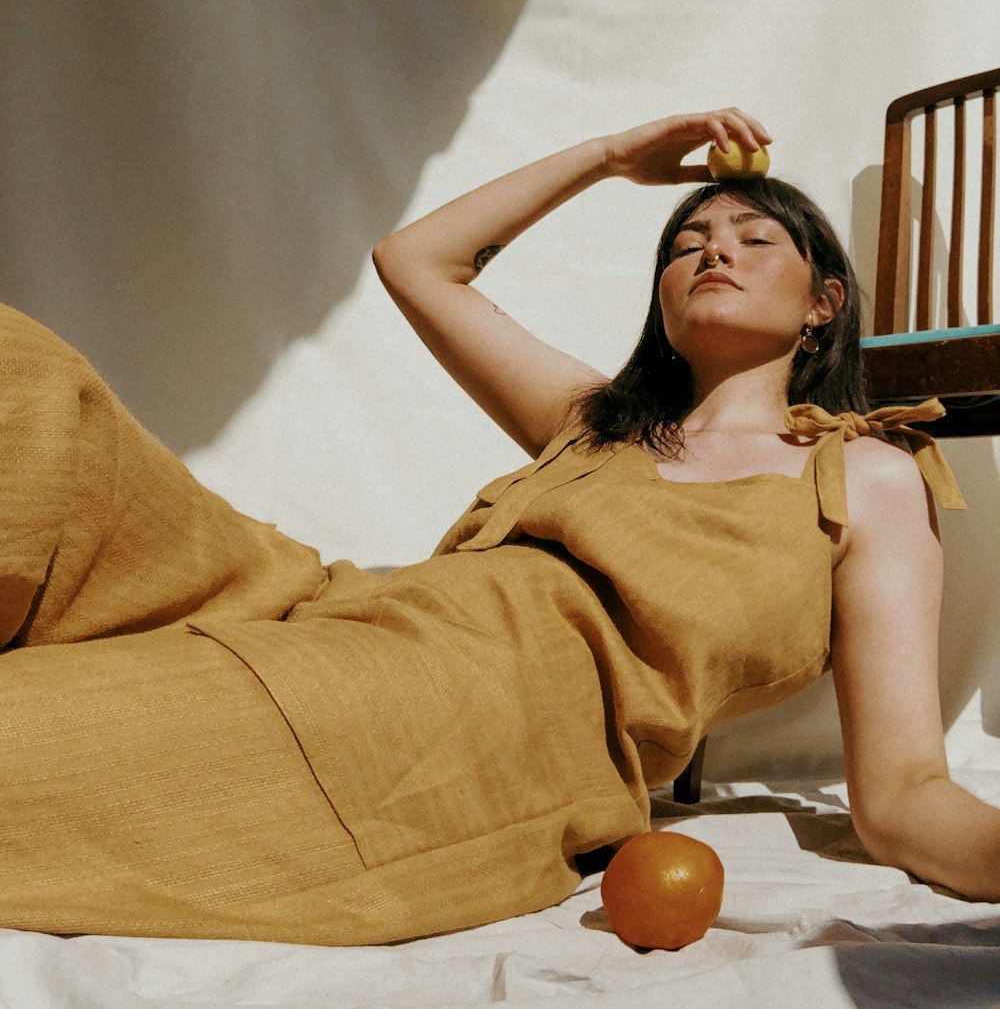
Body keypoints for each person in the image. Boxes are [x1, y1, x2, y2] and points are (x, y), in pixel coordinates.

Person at [0, 109, 995, 948]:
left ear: (823, 305)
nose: (713, 248)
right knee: (28, 374)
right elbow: (417, 261)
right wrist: (613, 157)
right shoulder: (595, 419)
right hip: (328, 602)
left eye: (752, 237)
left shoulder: (862, 475)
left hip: (457, 710)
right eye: (687, 241)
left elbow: (904, 787)